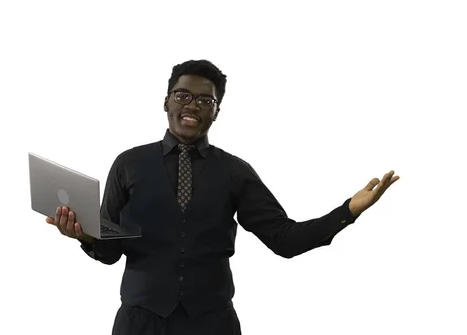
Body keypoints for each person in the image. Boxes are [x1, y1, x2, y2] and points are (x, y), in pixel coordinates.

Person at [45, 59, 400, 335]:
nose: (192, 105)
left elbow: (284, 240)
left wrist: (348, 211)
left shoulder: (235, 171)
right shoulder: (128, 164)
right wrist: (83, 233)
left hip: (212, 324)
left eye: (205, 100)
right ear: (166, 101)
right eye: (183, 95)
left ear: (217, 111)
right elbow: (110, 252)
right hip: (141, 322)